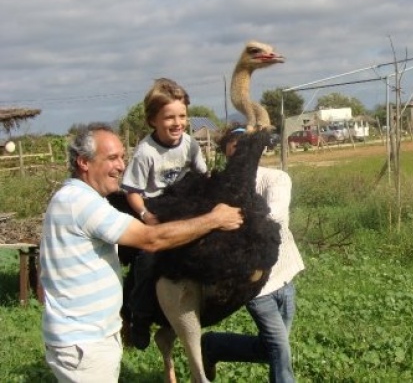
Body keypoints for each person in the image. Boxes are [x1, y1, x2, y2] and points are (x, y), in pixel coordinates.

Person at [40, 123, 242, 383]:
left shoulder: (75, 200)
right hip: (84, 342)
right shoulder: (80, 203)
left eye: (123, 157)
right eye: (112, 158)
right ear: (84, 163)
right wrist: (214, 219)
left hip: (87, 335)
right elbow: (151, 239)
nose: (121, 166)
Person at [201, 126, 305, 383]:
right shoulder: (220, 188)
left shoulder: (276, 179)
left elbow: (275, 216)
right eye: (233, 145)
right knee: (280, 349)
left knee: (269, 349)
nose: (239, 150)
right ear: (225, 151)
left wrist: (231, 219)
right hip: (254, 284)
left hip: (285, 273)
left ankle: (214, 345)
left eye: (245, 144)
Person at [121, 77, 208, 349]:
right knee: (148, 261)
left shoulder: (190, 145)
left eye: (182, 115)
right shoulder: (146, 152)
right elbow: (132, 190)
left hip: (183, 205)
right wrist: (146, 215)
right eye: (169, 117)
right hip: (155, 209)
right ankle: (141, 316)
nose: (178, 123)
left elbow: (202, 176)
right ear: (153, 120)